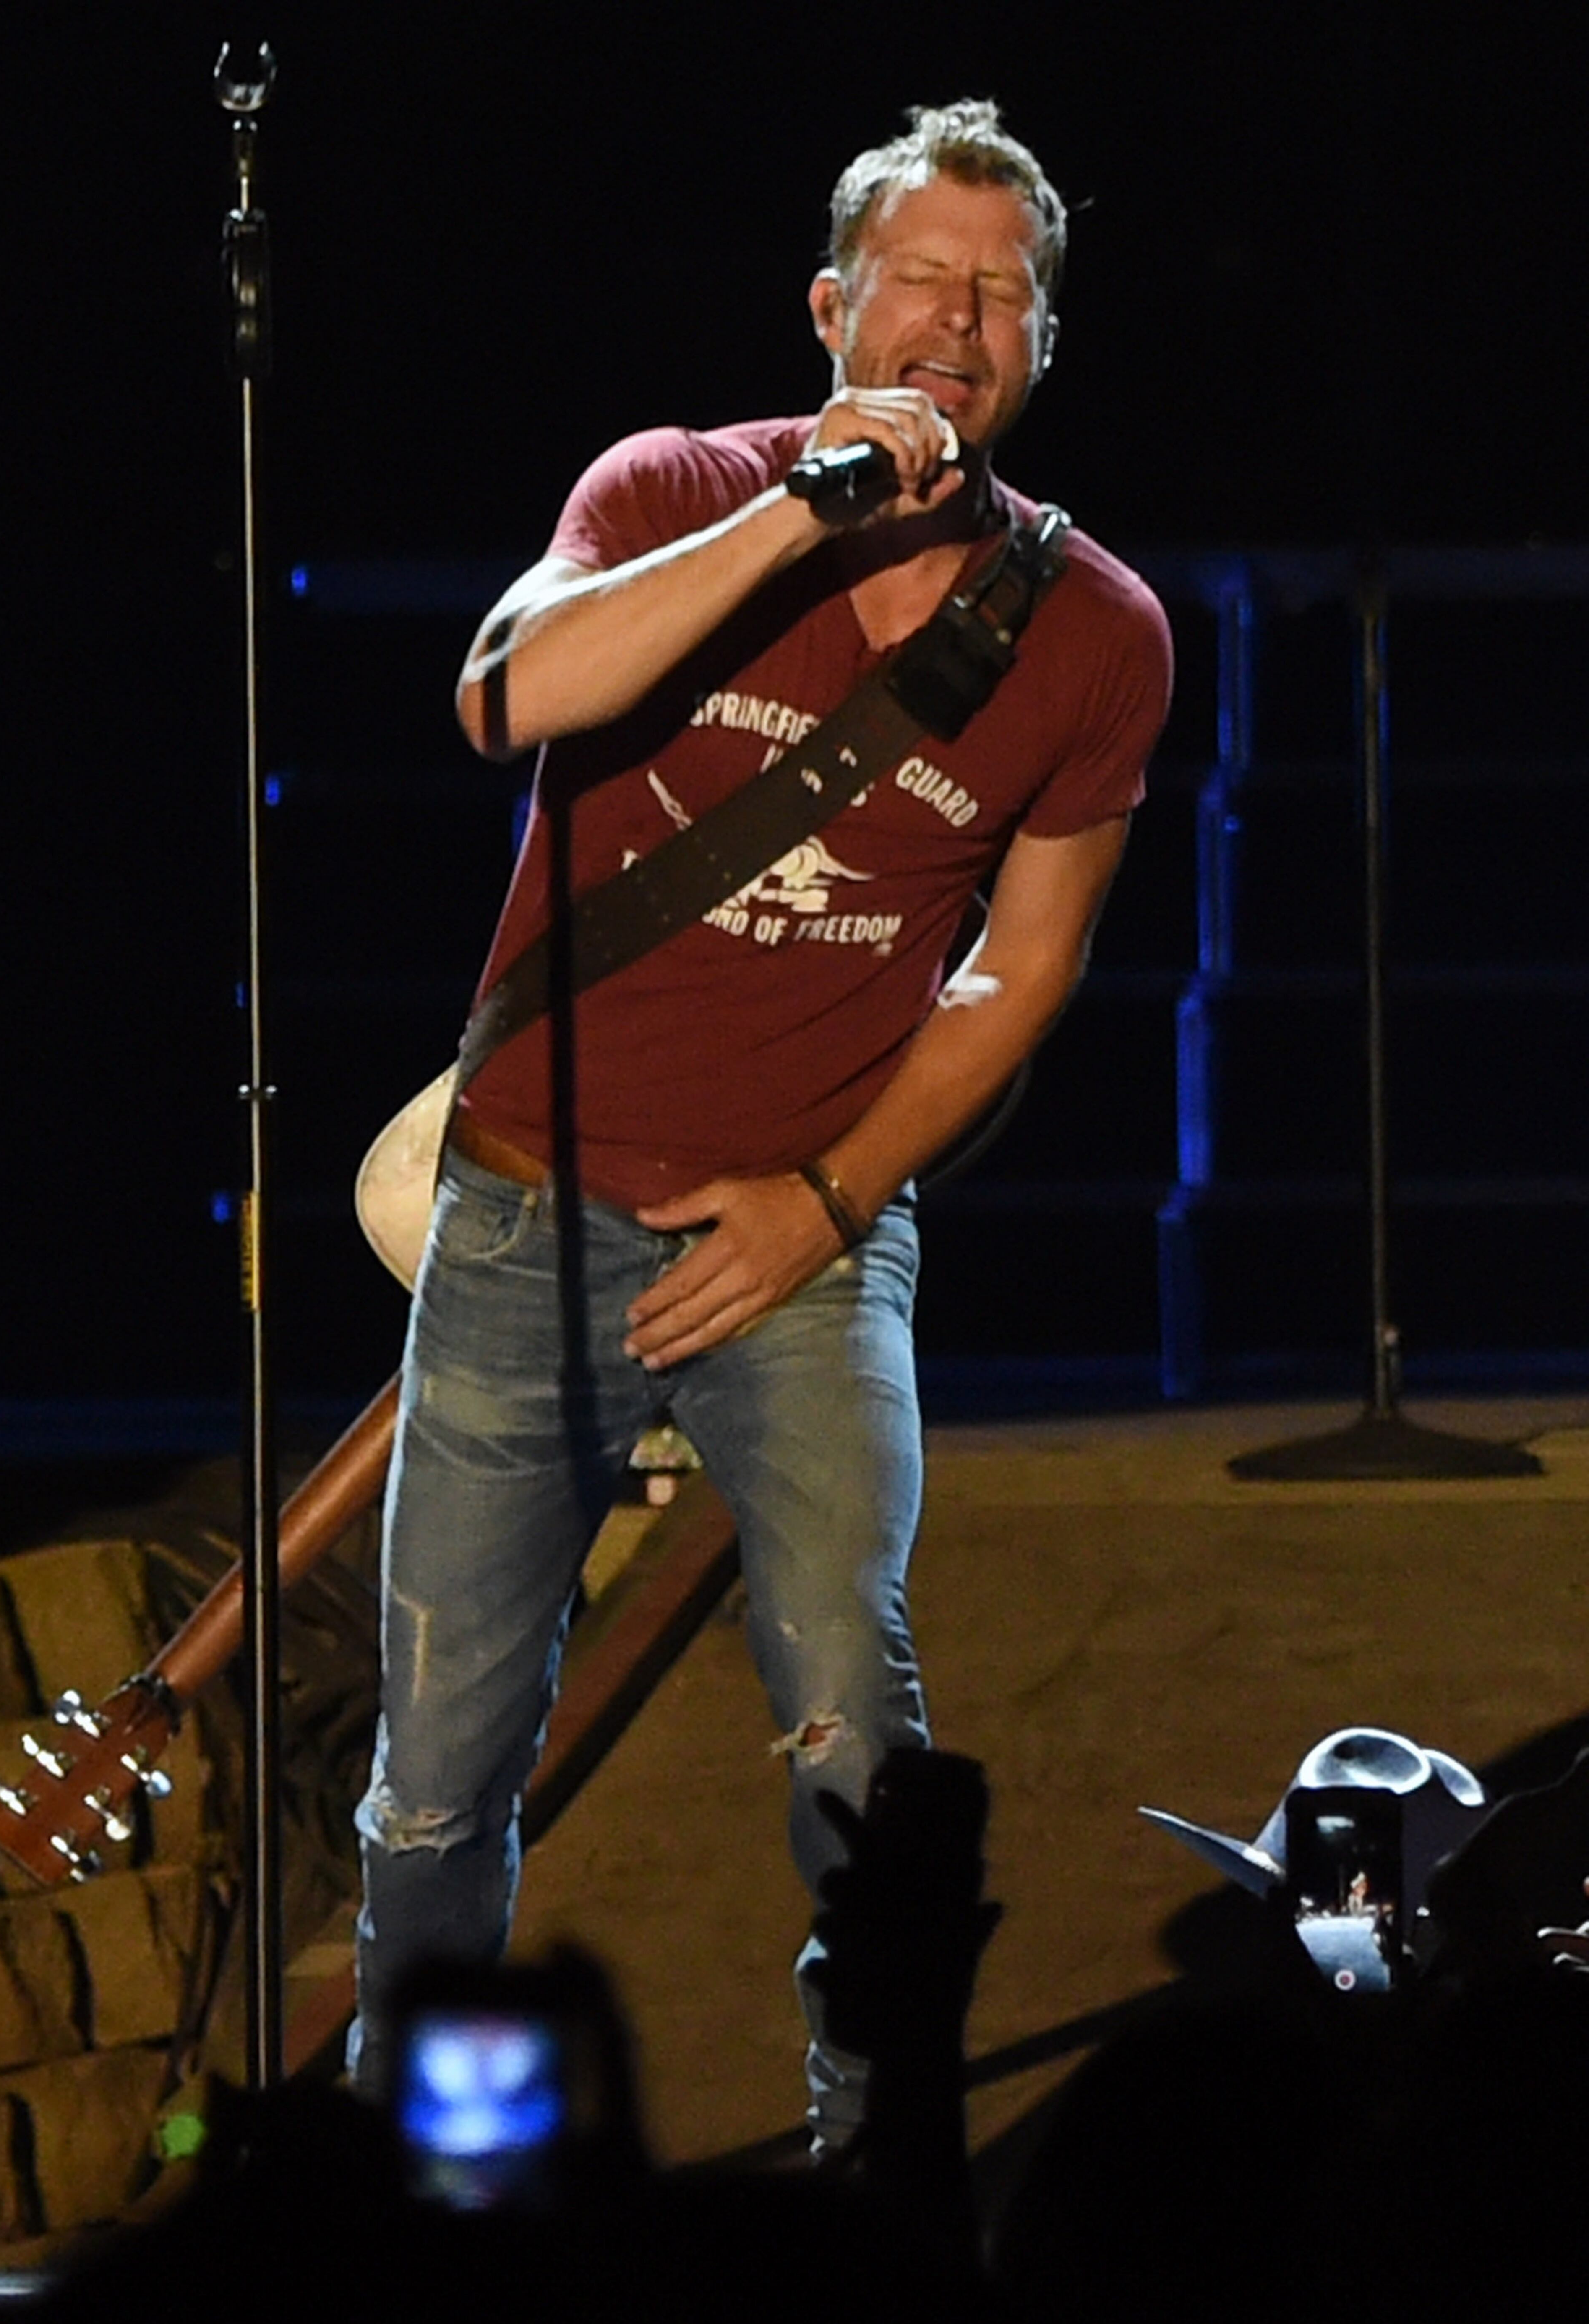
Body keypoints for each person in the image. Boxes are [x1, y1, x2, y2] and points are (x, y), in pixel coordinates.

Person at [348, 99, 1173, 2149]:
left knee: (853, 1748)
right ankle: (424, 2197)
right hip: (526, 1221)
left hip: (801, 1235)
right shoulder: (670, 490)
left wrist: (829, 1201)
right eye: (923, 278)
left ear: (1043, 349)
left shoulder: (1096, 632)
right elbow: (508, 698)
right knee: (438, 1782)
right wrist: (806, 515)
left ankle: (876, 2178)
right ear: (833, 306)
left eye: (1006, 296)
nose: (960, 324)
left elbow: (1025, 967)